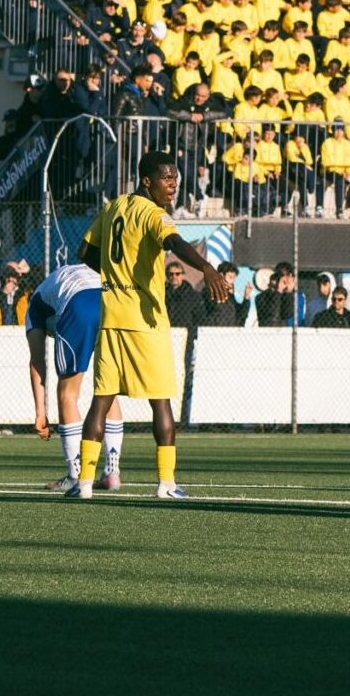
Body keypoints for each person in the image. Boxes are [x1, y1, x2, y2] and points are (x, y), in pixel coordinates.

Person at [74, 150, 228, 500]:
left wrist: (118, 276)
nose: (173, 184)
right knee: (160, 402)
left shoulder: (113, 207)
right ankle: (167, 483)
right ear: (147, 181)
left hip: (112, 316)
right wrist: (206, 268)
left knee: (101, 400)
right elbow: (174, 242)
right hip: (146, 320)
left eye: (175, 177)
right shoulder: (154, 214)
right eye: (166, 177)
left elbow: (83, 252)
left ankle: (83, 484)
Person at [25, 263, 126, 492]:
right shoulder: (60, 280)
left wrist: (40, 412)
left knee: (67, 393)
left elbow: (37, 361)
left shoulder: (34, 308)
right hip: (113, 298)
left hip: (78, 304)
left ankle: (75, 475)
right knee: (107, 387)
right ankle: (112, 473)